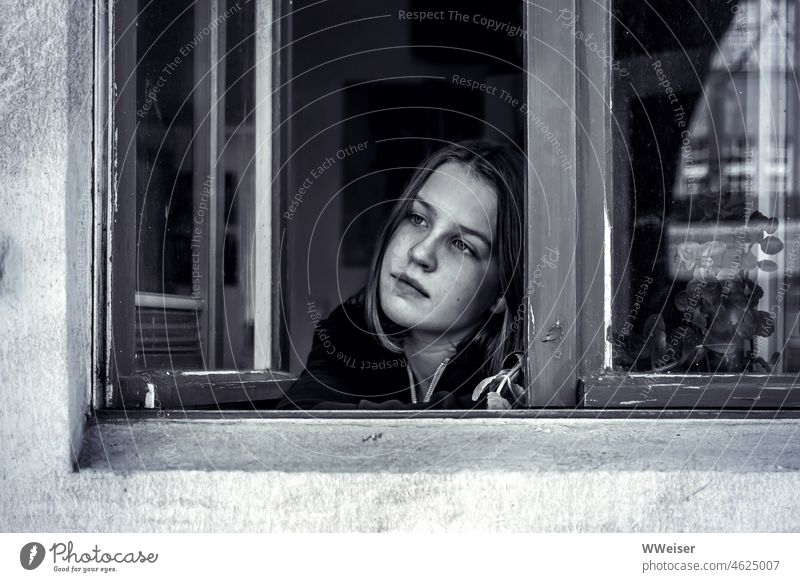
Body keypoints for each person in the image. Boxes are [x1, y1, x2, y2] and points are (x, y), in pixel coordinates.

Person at [278, 139, 527, 410]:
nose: (420, 253)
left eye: (462, 245)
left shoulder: (518, 378)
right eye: (418, 218)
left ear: (502, 293)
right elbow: (302, 416)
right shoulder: (349, 336)